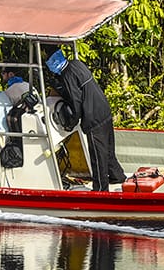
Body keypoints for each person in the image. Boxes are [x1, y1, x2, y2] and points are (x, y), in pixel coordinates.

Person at [45, 47, 126, 191]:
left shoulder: (67, 75)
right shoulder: (76, 64)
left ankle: (101, 188)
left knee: (97, 155)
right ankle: (117, 176)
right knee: (108, 149)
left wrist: (71, 123)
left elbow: (76, 103)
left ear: (53, 61)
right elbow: (80, 89)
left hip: (93, 117)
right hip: (103, 109)